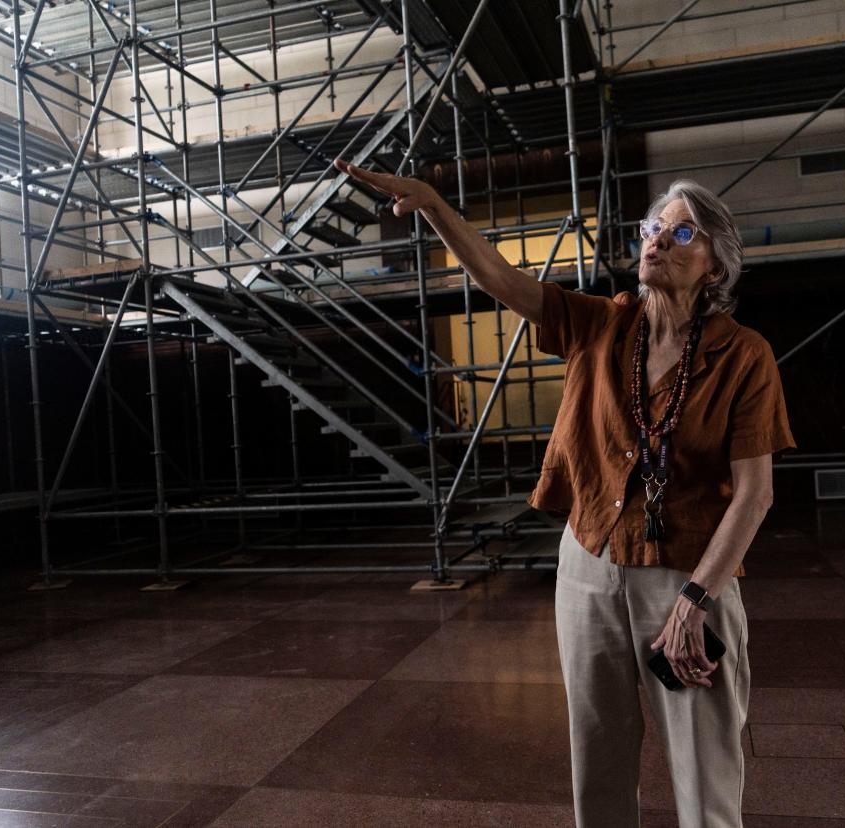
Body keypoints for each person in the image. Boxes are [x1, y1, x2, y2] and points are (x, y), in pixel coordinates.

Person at [335, 159, 794, 828]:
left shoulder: (745, 355)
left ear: (716, 267)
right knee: (598, 759)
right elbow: (499, 278)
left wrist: (698, 600)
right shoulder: (599, 325)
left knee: (705, 775)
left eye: (682, 234)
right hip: (588, 569)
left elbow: (754, 495)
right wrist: (433, 205)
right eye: (654, 228)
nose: (658, 241)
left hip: (685, 580)